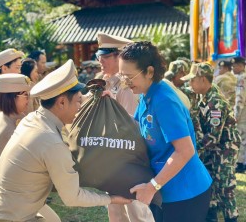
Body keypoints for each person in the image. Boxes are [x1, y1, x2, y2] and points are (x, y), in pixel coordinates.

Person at [0, 59, 130, 222]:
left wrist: (95, 98)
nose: (79, 107)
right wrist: (113, 198)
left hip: (3, 209)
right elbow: (72, 197)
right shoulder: (50, 141)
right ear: (61, 102)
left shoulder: (33, 119)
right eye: (77, 101)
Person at [119, 41, 212, 222]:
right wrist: (109, 109)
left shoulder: (164, 100)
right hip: (167, 189)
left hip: (185, 192)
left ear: (150, 72)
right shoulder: (147, 94)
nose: (125, 82)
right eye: (122, 76)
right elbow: (138, 125)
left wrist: (152, 186)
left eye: (129, 77)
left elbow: (185, 150)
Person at [96, 32, 155, 222]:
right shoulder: (106, 82)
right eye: (100, 56)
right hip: (111, 157)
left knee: (135, 211)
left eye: (106, 56)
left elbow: (134, 126)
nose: (101, 61)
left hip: (128, 158)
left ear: (119, 56)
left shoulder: (126, 86)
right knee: (115, 210)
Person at [181, 62, 240, 222]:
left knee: (224, 187)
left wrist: (192, 151)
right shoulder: (202, 98)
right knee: (209, 186)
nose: (190, 83)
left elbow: (213, 137)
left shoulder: (215, 103)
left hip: (224, 150)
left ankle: (231, 218)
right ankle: (211, 217)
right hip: (210, 149)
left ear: (202, 80)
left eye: (193, 80)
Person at [0, 74, 31, 182]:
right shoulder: (9, 129)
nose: (29, 99)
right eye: (26, 95)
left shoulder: (9, 116)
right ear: (12, 98)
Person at [232, 57, 246, 173]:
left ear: (241, 66)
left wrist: (236, 115)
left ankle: (240, 163)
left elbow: (240, 98)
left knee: (241, 137)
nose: (233, 68)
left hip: (243, 112)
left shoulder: (242, 78)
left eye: (235, 65)